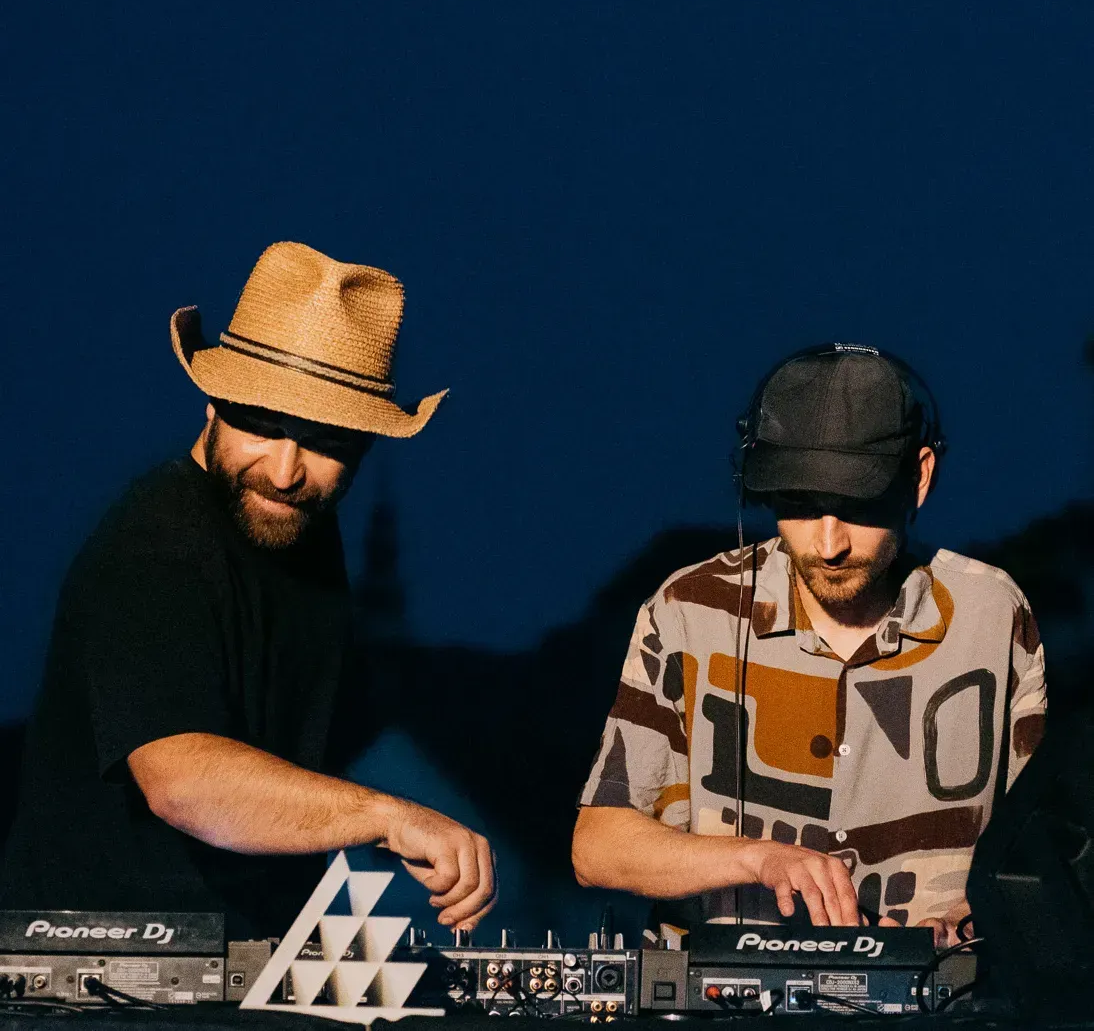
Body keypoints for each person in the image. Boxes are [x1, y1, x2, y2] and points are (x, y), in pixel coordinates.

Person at [1, 241, 496, 939]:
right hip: (105, 969)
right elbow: (182, 782)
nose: (285, 471)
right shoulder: (156, 544)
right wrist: (390, 817)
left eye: (324, 442)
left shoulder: (299, 530)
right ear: (213, 403)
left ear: (363, 447)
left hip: (248, 958)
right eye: (261, 425)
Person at [572, 344, 1046, 948]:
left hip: (940, 994)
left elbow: (1045, 856)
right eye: (798, 505)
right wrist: (759, 859)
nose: (828, 544)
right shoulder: (689, 609)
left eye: (857, 506)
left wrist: (969, 923)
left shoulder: (992, 615)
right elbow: (597, 846)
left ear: (920, 477)